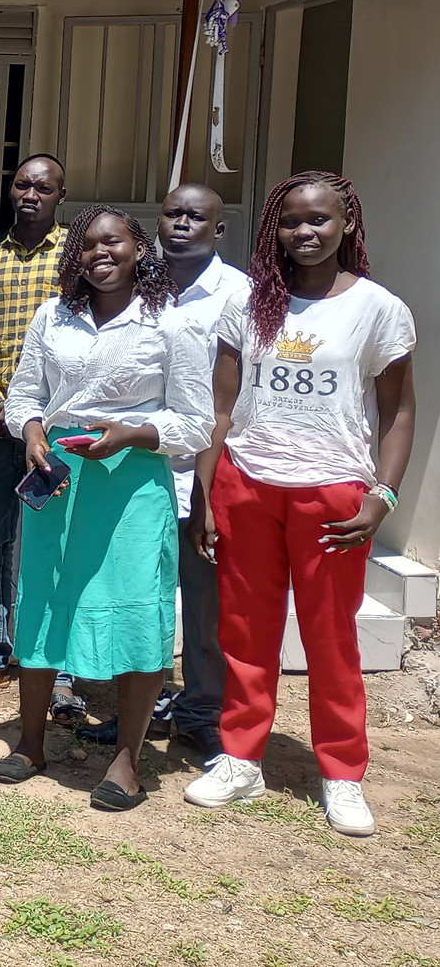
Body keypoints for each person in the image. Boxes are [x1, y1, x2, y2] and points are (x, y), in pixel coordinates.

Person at [185, 172, 416, 839]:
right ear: (273, 228)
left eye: (319, 219)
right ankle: (241, 758)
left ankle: (341, 772)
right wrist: (207, 493)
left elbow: (398, 411)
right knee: (244, 632)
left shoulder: (378, 308)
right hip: (248, 483)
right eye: (291, 221)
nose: (305, 232)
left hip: (333, 491)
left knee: (330, 637)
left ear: (348, 223)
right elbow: (220, 407)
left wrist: (383, 494)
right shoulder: (249, 301)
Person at [0, 206, 213, 810]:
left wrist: (132, 433)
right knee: (44, 599)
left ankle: (127, 761)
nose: (101, 253)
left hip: (132, 483)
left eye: (113, 241)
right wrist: (32, 431)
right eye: (88, 244)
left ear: (139, 248)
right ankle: (31, 741)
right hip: (57, 476)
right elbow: (24, 395)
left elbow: (197, 422)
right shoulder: (53, 314)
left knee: (136, 607)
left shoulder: (172, 322)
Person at [79, 183, 246, 761]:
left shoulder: (239, 295)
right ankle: (138, 711)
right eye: (172, 213)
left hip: (204, 469)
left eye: (195, 216)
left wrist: (210, 489)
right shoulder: (134, 283)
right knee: (137, 597)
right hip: (133, 472)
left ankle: (201, 713)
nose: (181, 224)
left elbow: (230, 402)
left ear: (218, 229)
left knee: (202, 602)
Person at [0, 154, 83, 722]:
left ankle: (61, 668)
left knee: (57, 546)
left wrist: (39, 414)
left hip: (56, 430)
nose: (31, 195)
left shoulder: (74, 253)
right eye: (23, 185)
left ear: (60, 195)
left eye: (43, 188)